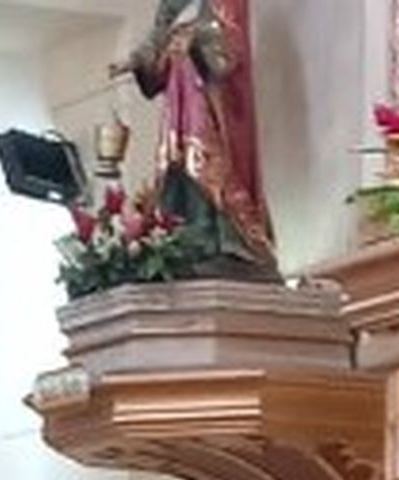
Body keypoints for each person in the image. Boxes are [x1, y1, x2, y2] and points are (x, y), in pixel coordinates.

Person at [115, 0, 277, 277]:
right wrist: (136, 60)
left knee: (207, 166)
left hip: (209, 101)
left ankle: (222, 240)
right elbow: (156, 40)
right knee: (177, 166)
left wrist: (196, 39)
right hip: (179, 101)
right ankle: (186, 238)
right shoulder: (172, 5)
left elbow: (231, 45)